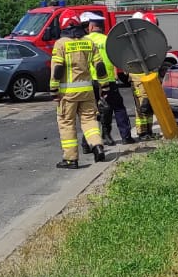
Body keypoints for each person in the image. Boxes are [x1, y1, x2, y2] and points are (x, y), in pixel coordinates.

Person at [51, 12, 108, 168]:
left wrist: (53, 90)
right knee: (89, 121)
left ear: (63, 25)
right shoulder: (89, 42)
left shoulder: (61, 44)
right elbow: (100, 67)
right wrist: (105, 86)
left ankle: (71, 159)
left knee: (67, 123)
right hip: (87, 91)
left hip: (67, 93)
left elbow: (57, 68)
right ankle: (97, 146)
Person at [88, 15, 134, 145]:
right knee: (118, 108)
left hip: (90, 81)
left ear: (91, 27)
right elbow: (118, 59)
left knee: (90, 113)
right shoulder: (108, 40)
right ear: (101, 28)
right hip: (108, 80)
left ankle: (89, 142)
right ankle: (125, 136)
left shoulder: (84, 41)